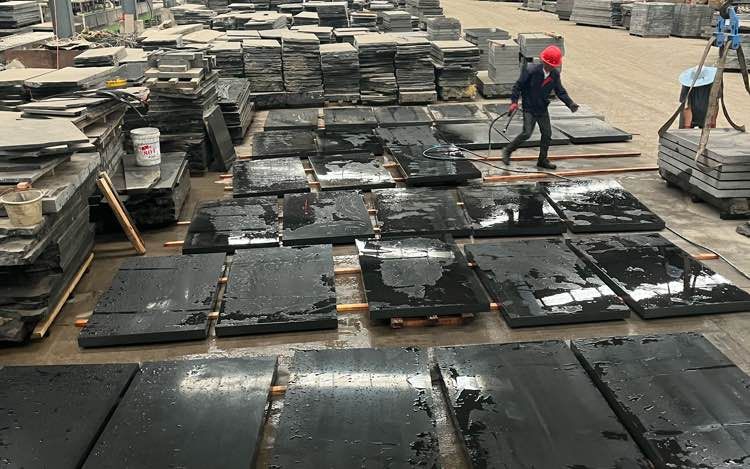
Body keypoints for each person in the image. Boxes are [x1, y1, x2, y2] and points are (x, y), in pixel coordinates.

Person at [502, 45, 579, 170]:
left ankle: (542, 160)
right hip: (529, 108)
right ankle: (507, 150)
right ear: (543, 61)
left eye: (553, 65)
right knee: (527, 133)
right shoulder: (531, 71)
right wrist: (514, 102)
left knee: (547, 134)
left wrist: (570, 104)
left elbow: (560, 91)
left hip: (542, 108)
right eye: (548, 64)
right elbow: (518, 86)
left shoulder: (554, 75)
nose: (550, 67)